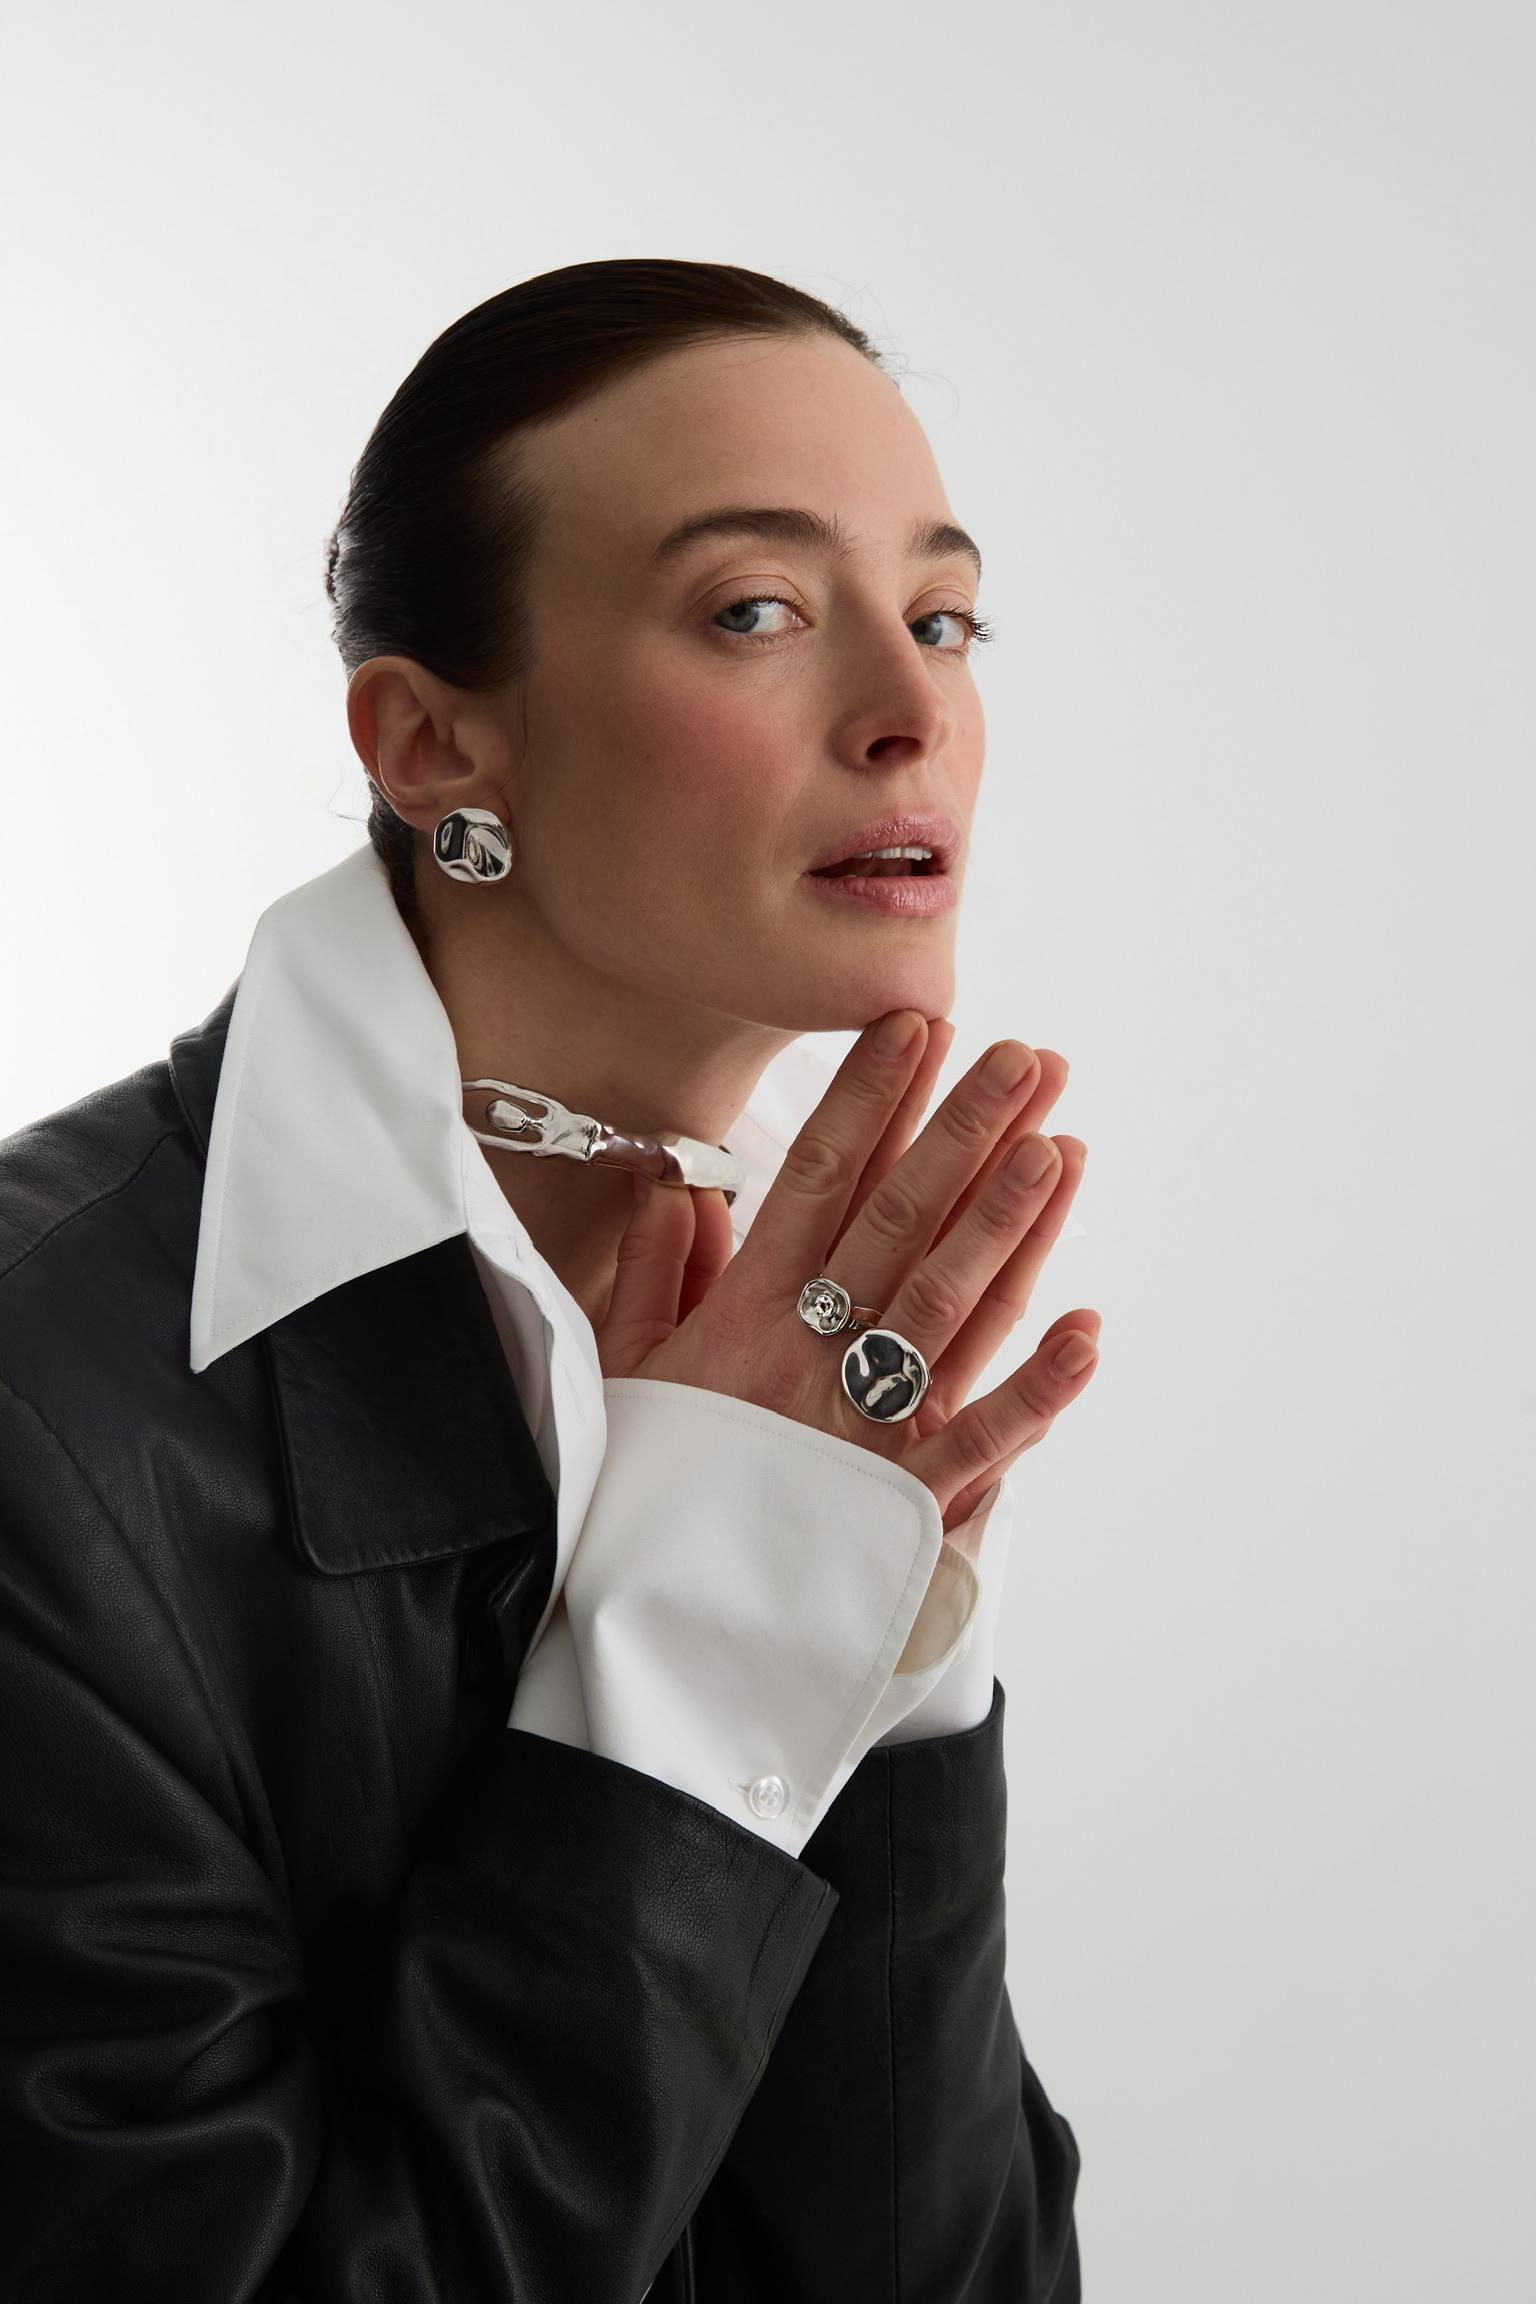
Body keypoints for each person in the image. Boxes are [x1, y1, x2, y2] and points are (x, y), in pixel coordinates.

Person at [0, 257, 1098, 2300]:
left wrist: (879, 1646)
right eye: (755, 610)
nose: (913, 709)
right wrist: (695, 1666)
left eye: (944, 616)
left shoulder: (819, 1361)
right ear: (432, 746)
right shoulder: (40, 1403)